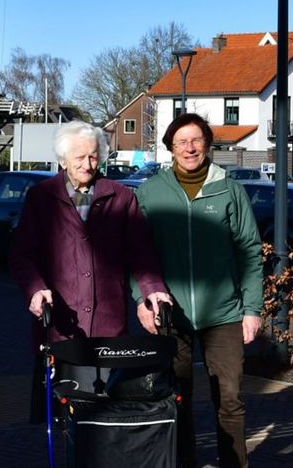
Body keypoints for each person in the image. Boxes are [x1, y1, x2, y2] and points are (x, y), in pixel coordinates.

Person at [9, 120, 172, 422]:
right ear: (63, 158)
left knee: (105, 419)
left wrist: (153, 290)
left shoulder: (121, 197)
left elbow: (141, 254)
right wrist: (34, 289)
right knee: (64, 419)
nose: (87, 164)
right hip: (61, 326)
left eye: (94, 156)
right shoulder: (41, 198)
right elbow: (22, 255)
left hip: (108, 327)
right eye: (79, 157)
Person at [135, 113, 264, 468]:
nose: (189, 148)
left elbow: (250, 251)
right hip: (169, 315)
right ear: (170, 148)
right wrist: (141, 300)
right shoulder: (150, 192)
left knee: (230, 399)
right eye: (181, 142)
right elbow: (137, 253)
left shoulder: (230, 190)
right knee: (176, 399)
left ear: (207, 143)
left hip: (223, 314)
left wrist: (252, 308)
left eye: (195, 140)